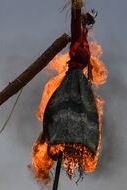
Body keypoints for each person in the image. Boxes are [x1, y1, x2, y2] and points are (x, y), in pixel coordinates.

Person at [42, 0, 99, 172]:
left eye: (87, 22)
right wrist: (77, 6)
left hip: (80, 80)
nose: (86, 24)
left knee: (84, 111)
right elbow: (75, 21)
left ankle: (80, 138)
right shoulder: (76, 35)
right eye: (84, 21)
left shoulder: (85, 40)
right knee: (64, 107)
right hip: (72, 77)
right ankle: (59, 134)